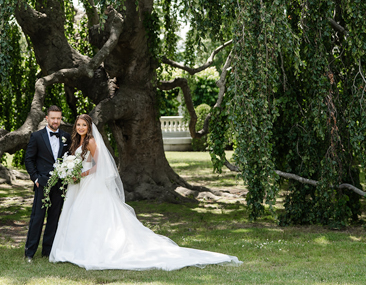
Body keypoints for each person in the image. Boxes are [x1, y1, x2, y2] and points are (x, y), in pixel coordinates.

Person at [49, 114, 241, 270]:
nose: (80, 127)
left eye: (84, 125)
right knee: (79, 215)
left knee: (93, 215)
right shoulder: (76, 142)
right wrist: (71, 172)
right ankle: (75, 249)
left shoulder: (90, 141)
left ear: (89, 127)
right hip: (80, 184)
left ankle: (94, 250)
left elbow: (100, 166)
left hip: (90, 182)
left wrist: (81, 173)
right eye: (78, 124)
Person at [24, 105, 71, 262]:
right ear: (47, 119)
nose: (56, 121)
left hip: (59, 185)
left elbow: (69, 159)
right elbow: (29, 159)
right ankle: (29, 253)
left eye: (58, 118)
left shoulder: (66, 137)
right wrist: (35, 178)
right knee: (37, 218)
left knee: (54, 218)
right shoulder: (37, 136)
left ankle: (47, 251)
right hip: (42, 183)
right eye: (53, 118)